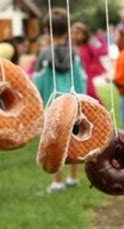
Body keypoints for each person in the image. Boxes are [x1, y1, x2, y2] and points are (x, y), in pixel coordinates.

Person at [33, 8, 86, 194]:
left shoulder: (43, 55)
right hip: (73, 103)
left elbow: (37, 82)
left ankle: (57, 181)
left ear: (47, 30)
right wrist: (83, 100)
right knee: (74, 138)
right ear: (67, 30)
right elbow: (81, 79)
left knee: (54, 142)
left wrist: (38, 104)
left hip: (52, 105)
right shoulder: (75, 54)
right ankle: (73, 177)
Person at [72, 22, 108, 104]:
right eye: (72, 33)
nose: (74, 35)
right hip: (75, 82)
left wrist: (101, 39)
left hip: (88, 81)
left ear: (84, 35)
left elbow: (102, 52)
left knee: (93, 103)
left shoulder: (88, 48)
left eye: (77, 33)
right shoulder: (70, 50)